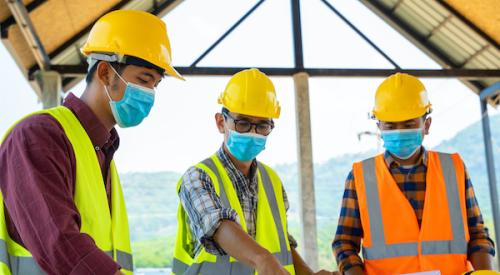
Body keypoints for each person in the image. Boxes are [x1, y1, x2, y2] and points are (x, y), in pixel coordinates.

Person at [0, 10, 183, 275]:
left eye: (155, 84)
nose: (150, 94)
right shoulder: (37, 136)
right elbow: (61, 245)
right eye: (144, 80)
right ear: (106, 72)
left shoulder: (100, 149)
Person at [173, 68, 335, 275]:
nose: (253, 132)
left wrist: (308, 273)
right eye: (243, 123)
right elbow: (217, 225)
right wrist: (263, 259)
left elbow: (282, 243)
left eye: (262, 126)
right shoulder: (197, 178)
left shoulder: (272, 180)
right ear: (221, 122)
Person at [332, 73, 496, 275]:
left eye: (409, 124)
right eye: (390, 126)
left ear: (426, 125)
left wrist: (485, 272)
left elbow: (477, 233)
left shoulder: (454, 168)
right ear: (379, 128)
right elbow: (344, 243)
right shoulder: (360, 176)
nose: (399, 131)